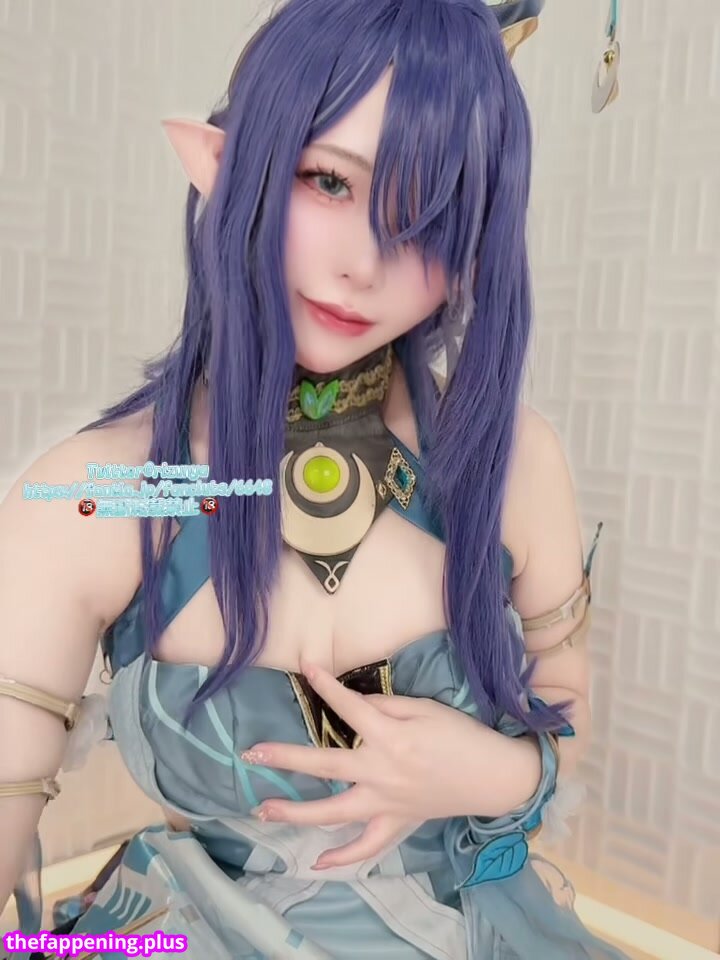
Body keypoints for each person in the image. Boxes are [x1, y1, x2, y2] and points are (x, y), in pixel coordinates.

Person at [0, 1, 632, 957]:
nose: (366, 265)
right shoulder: (106, 491)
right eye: (329, 181)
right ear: (221, 164)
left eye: (430, 219)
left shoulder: (509, 457)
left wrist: (500, 774)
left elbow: (563, 700)